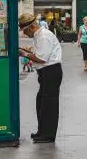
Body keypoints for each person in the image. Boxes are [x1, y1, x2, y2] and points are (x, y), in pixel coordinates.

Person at [18, 13, 63, 143]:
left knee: (49, 105)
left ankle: (48, 135)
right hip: (46, 73)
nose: (25, 34)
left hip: (51, 72)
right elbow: (38, 53)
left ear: (31, 27)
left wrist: (23, 53)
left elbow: (41, 59)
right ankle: (42, 131)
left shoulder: (43, 36)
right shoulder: (38, 36)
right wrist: (25, 50)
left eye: (25, 31)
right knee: (41, 102)